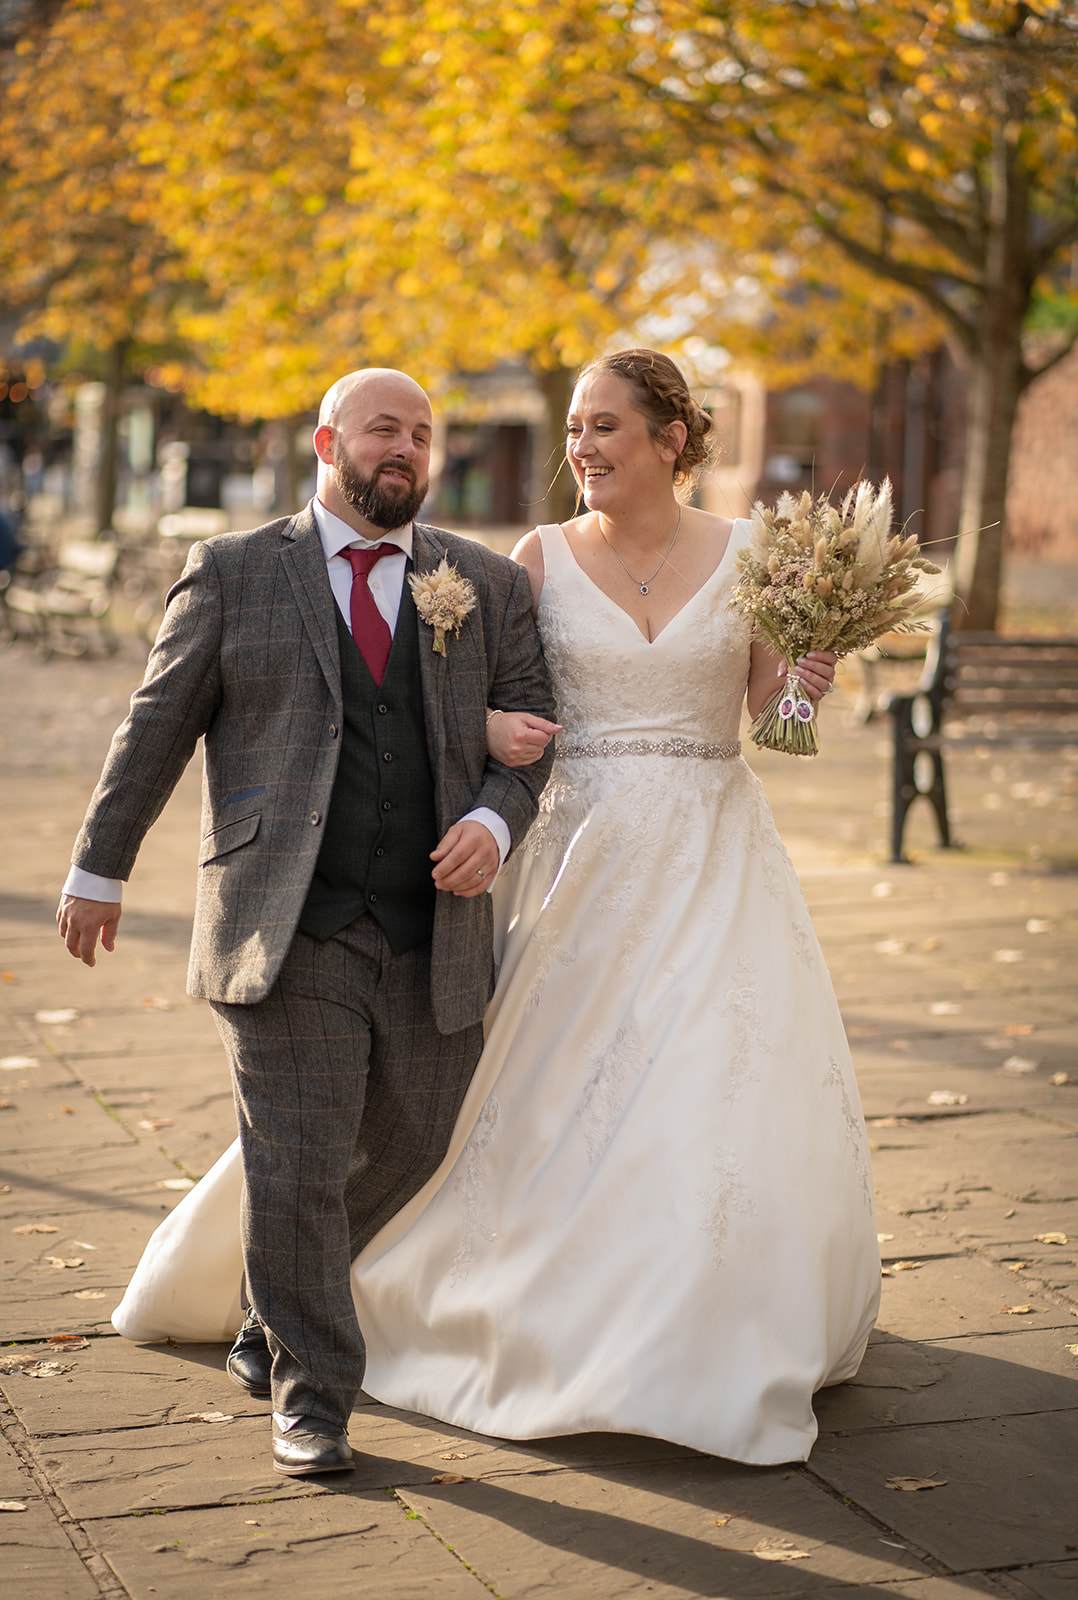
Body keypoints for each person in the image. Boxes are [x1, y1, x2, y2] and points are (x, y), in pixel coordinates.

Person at [110, 348, 880, 1466]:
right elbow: (447, 702)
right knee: (499, 1095)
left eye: (606, 428)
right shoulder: (531, 561)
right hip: (573, 860)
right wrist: (482, 737)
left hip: (718, 859)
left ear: (672, 439)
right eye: (573, 428)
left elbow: (771, 719)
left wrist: (808, 672)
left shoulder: (752, 555)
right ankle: (311, 1296)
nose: (582, 449)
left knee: (715, 1083)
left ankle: (695, 1317)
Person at [57, 368, 556, 1478]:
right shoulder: (234, 573)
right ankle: (314, 1396)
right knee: (298, 1157)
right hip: (283, 920)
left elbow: (536, 733)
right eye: (386, 429)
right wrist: (100, 864)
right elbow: (157, 727)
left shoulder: (478, 584)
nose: (407, 450)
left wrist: (492, 815)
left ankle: (270, 1306)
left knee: (416, 1141)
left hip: (435, 925)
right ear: (327, 440)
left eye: (423, 435)